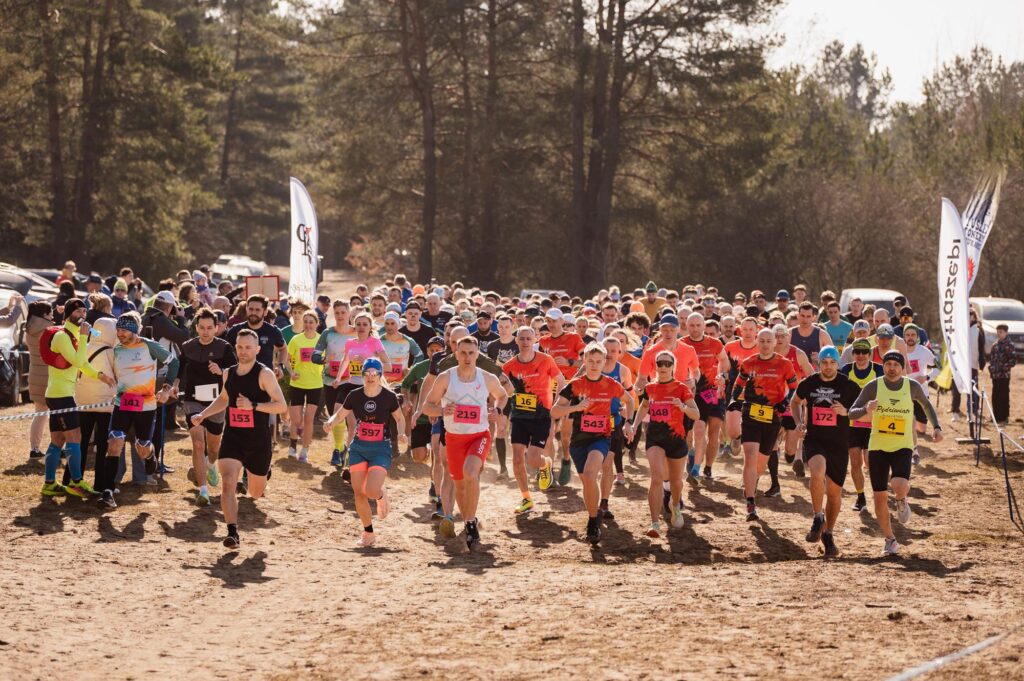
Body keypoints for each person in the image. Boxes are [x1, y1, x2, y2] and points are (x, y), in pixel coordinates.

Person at [191, 329, 289, 549]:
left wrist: (253, 405)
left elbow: (281, 406)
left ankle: (264, 472)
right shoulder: (228, 373)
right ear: (235, 347)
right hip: (233, 437)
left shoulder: (264, 374)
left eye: (248, 347)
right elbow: (224, 398)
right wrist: (203, 414)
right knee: (228, 483)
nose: (243, 351)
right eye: (240, 347)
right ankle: (232, 533)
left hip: (258, 441)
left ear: (257, 349)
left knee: (255, 493)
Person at [848, 351, 942, 555]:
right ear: (883, 366)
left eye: (896, 365)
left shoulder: (912, 386)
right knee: (879, 497)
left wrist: (936, 427)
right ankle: (890, 539)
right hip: (877, 447)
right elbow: (851, 412)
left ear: (902, 368)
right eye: (888, 364)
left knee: (898, 484)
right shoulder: (874, 386)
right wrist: (866, 408)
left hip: (902, 446)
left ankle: (901, 498)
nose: (891, 368)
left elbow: (926, 406)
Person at [421, 336, 512, 548]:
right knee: (460, 486)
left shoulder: (486, 377)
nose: (467, 357)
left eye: (471, 353)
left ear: (477, 354)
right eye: (463, 353)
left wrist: (497, 410)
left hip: (479, 436)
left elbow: (503, 395)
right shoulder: (446, 378)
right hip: (454, 439)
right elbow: (427, 406)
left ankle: (470, 523)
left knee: (471, 473)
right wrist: (442, 410)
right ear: (456, 354)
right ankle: (469, 519)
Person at [95, 312, 179, 508]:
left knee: (141, 448)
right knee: (114, 443)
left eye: (124, 330)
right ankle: (108, 492)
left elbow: (174, 362)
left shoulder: (149, 345)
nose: (120, 334)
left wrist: (166, 389)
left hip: (146, 406)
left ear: (134, 330)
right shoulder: (117, 350)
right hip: (122, 404)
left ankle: (150, 455)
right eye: (118, 330)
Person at [551, 343, 632, 546]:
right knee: (587, 482)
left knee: (589, 474)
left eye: (598, 361)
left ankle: (593, 523)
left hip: (601, 438)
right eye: (591, 361)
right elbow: (554, 411)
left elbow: (630, 400)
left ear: (604, 362)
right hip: (579, 441)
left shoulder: (611, 384)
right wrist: (576, 407)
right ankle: (593, 514)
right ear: (584, 361)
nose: (594, 365)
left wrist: (628, 422)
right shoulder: (575, 385)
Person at [324, 358, 406, 547]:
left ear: (379, 375)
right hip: (358, 448)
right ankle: (368, 533)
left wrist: (401, 433)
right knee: (359, 492)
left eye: (374, 373)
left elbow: (400, 418)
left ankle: (380, 495)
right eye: (367, 373)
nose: (370, 377)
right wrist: (330, 422)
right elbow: (341, 414)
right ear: (362, 375)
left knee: (371, 490)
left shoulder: (388, 396)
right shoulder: (354, 395)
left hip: (380, 448)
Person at [40, 298, 115, 498]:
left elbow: (82, 364)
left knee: (57, 440)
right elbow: (79, 361)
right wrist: (83, 337)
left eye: (84, 311)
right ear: (68, 315)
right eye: (78, 312)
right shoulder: (63, 336)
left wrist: (99, 375)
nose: (82, 315)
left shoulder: (73, 335)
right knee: (75, 438)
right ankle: (76, 482)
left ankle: (49, 484)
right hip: (61, 396)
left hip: (58, 394)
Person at [790, 346, 860, 557]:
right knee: (817, 470)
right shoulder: (809, 382)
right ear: (818, 363)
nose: (828, 366)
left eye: (832, 363)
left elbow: (863, 409)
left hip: (839, 443)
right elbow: (795, 402)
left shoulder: (848, 385)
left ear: (838, 364)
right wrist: (799, 422)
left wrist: (846, 412)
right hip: (815, 439)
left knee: (834, 492)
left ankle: (828, 533)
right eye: (824, 363)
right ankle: (817, 517)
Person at [729, 327, 798, 521]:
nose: (766, 344)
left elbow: (794, 388)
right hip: (750, 414)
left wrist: (785, 402)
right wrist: (734, 399)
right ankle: (751, 504)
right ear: (757, 342)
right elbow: (738, 384)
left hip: (773, 417)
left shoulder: (784, 364)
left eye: (769, 341)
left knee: (760, 465)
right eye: (762, 341)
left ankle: (752, 481)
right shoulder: (749, 362)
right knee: (750, 457)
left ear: (775, 343)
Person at [631, 350, 698, 538]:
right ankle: (654, 523)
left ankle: (675, 505)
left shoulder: (681, 388)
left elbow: (696, 414)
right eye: (660, 363)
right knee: (656, 478)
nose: (663, 366)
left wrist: (682, 407)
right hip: (655, 438)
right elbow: (644, 406)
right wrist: (634, 425)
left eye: (667, 363)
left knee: (676, 482)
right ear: (655, 366)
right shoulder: (650, 387)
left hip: (676, 439)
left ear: (673, 367)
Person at [177, 308, 236, 506]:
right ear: (196, 328)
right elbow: (178, 369)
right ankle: (203, 491)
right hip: (193, 401)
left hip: (216, 402)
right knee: (198, 444)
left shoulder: (224, 347)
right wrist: (174, 385)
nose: (205, 331)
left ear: (216, 328)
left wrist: (221, 370)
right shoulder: (187, 347)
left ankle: (211, 464)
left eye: (209, 328)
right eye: (202, 327)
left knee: (213, 447)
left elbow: (235, 371)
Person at [501, 326, 562, 514]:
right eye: (522, 338)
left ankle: (545, 464)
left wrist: (558, 404)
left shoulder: (546, 360)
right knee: (517, 458)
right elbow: (503, 391)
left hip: (541, 416)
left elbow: (561, 381)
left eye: (529, 338)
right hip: (519, 416)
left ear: (535, 340)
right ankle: (526, 498)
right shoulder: (509, 366)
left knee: (533, 459)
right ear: (516, 341)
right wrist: (500, 410)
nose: (525, 342)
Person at [538, 308, 587, 485]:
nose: (551, 324)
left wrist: (569, 362)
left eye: (554, 321)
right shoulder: (543, 341)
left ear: (562, 322)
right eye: (548, 321)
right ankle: (548, 470)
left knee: (566, 436)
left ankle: (566, 460)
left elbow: (586, 361)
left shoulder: (573, 338)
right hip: (549, 389)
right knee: (549, 433)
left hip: (570, 389)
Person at [69, 317, 116, 493]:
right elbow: (117, 374)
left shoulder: (85, 347)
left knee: (80, 443)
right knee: (102, 446)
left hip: (83, 402)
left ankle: (73, 479)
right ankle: (100, 483)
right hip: (105, 404)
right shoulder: (111, 352)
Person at [681, 312, 728, 480]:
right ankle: (692, 457)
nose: (695, 329)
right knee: (693, 433)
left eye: (698, 325)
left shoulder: (714, 343)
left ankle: (705, 467)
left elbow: (724, 360)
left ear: (703, 326)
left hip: (712, 391)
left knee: (713, 431)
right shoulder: (682, 344)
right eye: (691, 325)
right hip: (691, 393)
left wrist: (722, 375)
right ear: (686, 326)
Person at [839, 339, 883, 512]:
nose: (861, 355)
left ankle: (879, 494)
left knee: (870, 462)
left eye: (864, 352)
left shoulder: (878, 370)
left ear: (870, 354)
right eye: (857, 352)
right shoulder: (846, 370)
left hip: (873, 424)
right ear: (852, 354)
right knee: (855, 462)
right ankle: (861, 497)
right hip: (852, 424)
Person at [312, 300, 356, 467]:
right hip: (330, 381)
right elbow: (314, 356)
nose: (340, 316)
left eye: (343, 312)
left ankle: (341, 451)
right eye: (337, 313)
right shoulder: (327, 333)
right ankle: (340, 448)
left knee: (346, 416)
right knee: (335, 417)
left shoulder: (357, 332)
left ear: (349, 313)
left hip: (351, 381)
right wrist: (325, 359)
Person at [285, 311, 322, 462]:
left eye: (311, 322)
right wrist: (291, 372)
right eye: (305, 321)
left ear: (317, 324)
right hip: (297, 383)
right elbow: (286, 359)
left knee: (309, 419)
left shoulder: (321, 340)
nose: (308, 324)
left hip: (315, 384)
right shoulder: (296, 339)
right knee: (296, 420)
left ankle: (305, 450)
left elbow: (326, 359)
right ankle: (293, 445)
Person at [25, 301, 53, 460]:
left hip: (35, 372)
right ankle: (58, 446)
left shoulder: (29, 327)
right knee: (58, 413)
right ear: (44, 315)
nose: (52, 316)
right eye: (50, 313)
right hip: (49, 375)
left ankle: (34, 448)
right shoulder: (48, 329)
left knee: (39, 414)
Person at [989, 324, 1016, 425]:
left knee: (1003, 396)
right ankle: (995, 416)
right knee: (995, 396)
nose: (999, 334)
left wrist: (1003, 367)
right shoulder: (995, 345)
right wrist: (991, 368)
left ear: (1006, 332)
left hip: (1004, 376)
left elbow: (1013, 360)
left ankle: (1004, 417)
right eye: (998, 332)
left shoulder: (1009, 345)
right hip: (995, 376)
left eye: (1001, 332)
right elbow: (992, 359)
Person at [789, 302, 831, 367]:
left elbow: (834, 357)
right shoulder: (789, 334)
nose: (805, 319)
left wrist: (821, 357)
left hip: (816, 372)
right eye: (802, 316)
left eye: (808, 316)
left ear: (813, 317)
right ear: (798, 315)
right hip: (794, 372)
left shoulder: (822, 334)